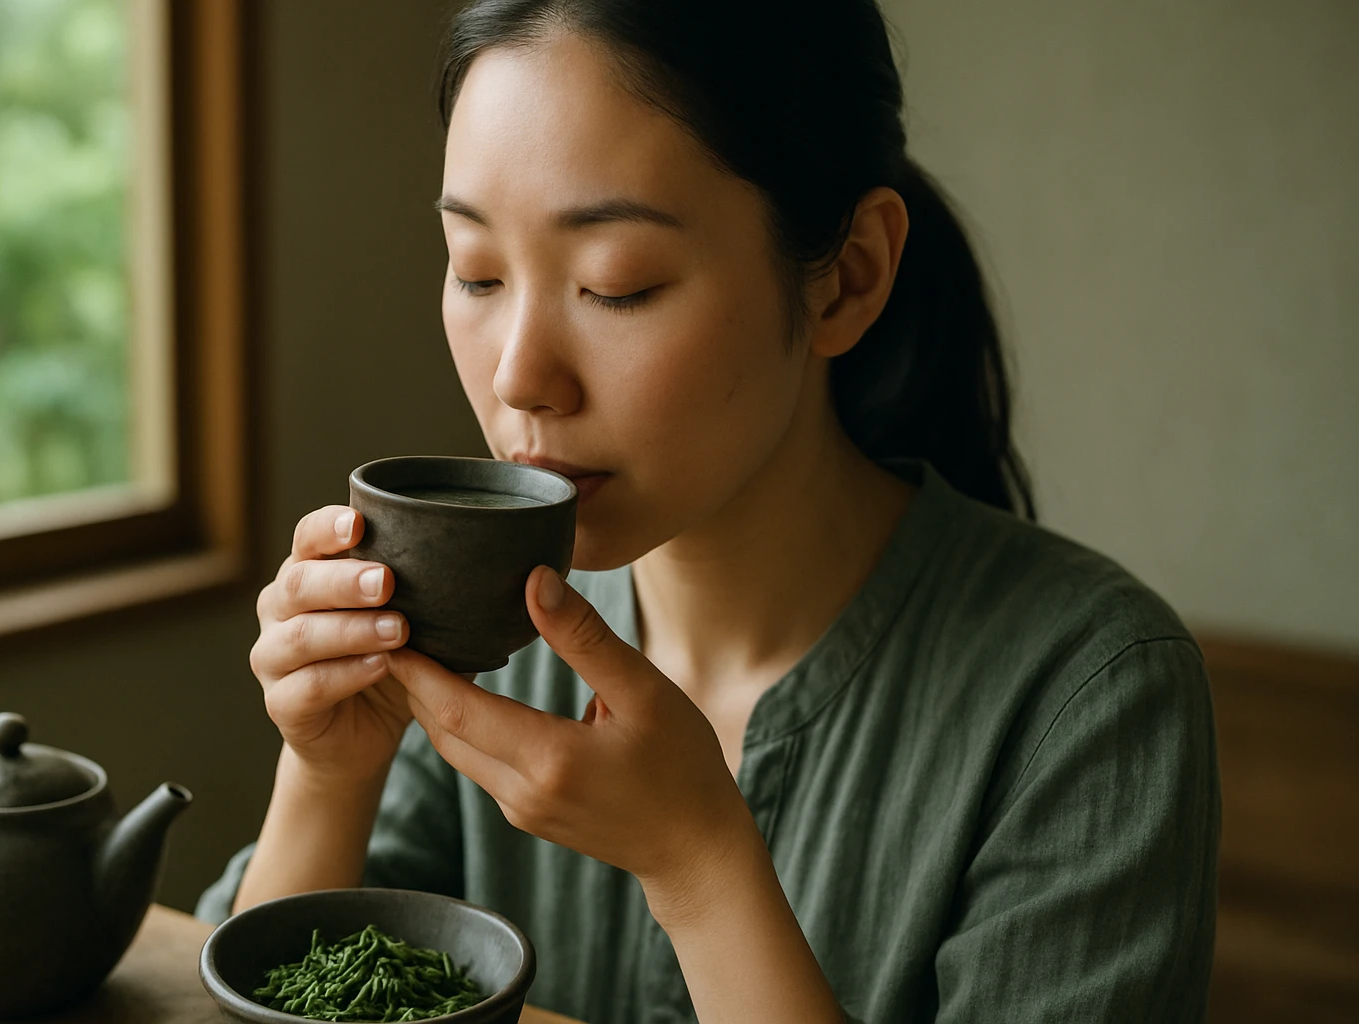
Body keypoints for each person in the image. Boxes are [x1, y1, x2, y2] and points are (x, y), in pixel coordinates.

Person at [197, 2, 1220, 1021]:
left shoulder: (1090, 695)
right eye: (477, 272)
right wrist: (329, 774)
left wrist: (696, 861)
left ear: (846, 278)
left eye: (617, 285)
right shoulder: (486, 628)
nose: (518, 378)